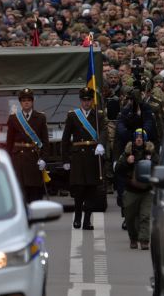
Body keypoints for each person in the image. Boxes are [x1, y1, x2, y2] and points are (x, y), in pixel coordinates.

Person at [61, 87, 106, 230]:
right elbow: (65, 139)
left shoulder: (98, 115)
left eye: (89, 100)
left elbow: (104, 131)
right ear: (81, 101)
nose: (87, 103)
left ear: (92, 101)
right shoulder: (73, 116)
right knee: (79, 191)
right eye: (84, 100)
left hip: (93, 156)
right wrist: (65, 160)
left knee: (91, 191)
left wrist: (101, 144)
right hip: (78, 158)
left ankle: (87, 220)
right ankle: (78, 217)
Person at [6, 88, 49, 203]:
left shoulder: (40, 118)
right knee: (21, 192)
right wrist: (8, 160)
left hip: (34, 159)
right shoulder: (13, 118)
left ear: (32, 101)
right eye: (24, 100)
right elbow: (9, 142)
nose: (26, 102)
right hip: (18, 160)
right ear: (20, 102)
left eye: (28, 100)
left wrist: (44, 159)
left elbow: (45, 141)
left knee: (35, 192)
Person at [115, 128, 155, 249]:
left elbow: (158, 166)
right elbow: (118, 170)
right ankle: (133, 238)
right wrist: (127, 162)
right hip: (131, 190)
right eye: (137, 137)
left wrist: (151, 162)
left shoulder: (151, 153)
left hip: (146, 191)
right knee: (130, 218)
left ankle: (144, 241)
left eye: (141, 137)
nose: (139, 139)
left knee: (145, 216)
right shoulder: (128, 152)